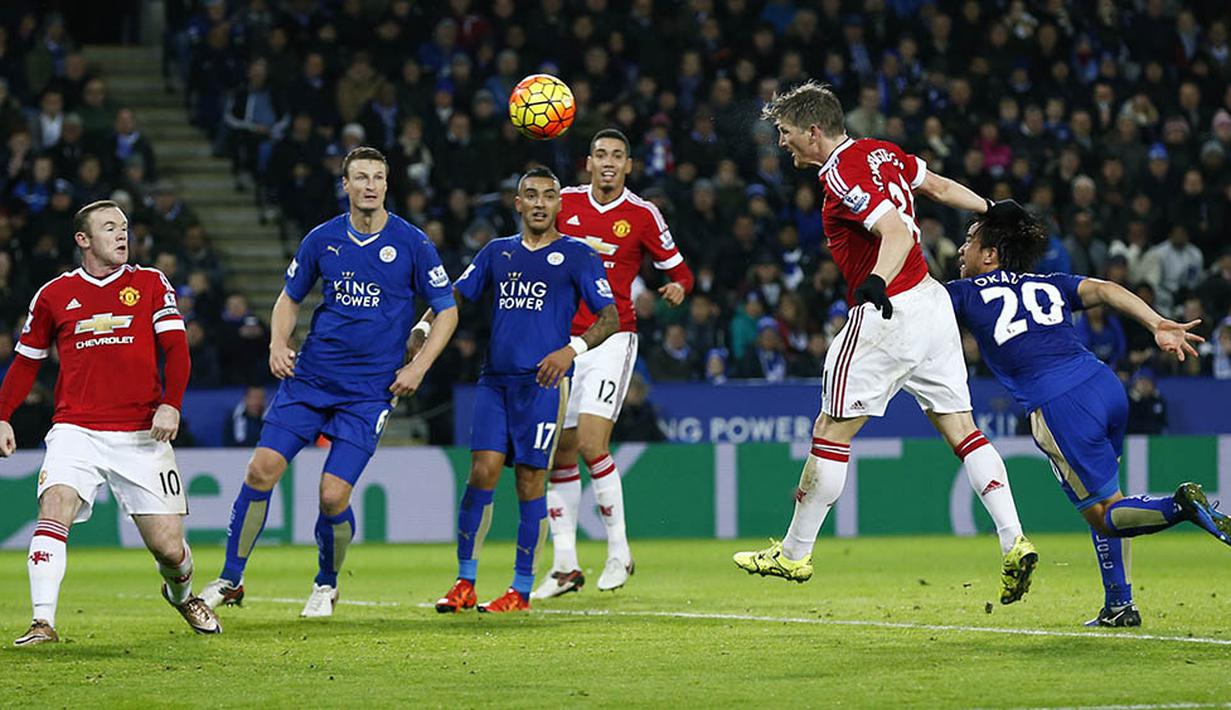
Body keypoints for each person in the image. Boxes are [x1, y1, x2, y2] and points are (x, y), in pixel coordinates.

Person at [732, 81, 1037, 605]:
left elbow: (894, 232)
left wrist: (874, 283)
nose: (782, 143)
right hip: (933, 305)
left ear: (813, 131)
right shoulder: (882, 152)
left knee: (831, 430)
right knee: (963, 430)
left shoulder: (840, 173)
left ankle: (795, 552)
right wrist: (990, 207)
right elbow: (936, 186)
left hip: (890, 310)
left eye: (785, 133)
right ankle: (1014, 540)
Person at [199, 147, 458, 617]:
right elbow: (288, 298)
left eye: (377, 177)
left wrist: (418, 367)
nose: (370, 185)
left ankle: (326, 582)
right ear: (346, 185)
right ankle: (230, 578)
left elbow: (447, 310)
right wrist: (278, 343)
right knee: (260, 470)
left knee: (332, 495)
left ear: (387, 185)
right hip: (312, 378)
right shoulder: (322, 239)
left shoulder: (413, 243)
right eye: (361, 177)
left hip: (369, 391)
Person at [948, 203, 1227, 626]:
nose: (960, 249)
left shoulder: (962, 293)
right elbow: (1107, 289)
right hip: (1104, 385)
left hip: (1060, 405)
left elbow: (912, 305)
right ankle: (1119, 605)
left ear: (990, 255)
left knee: (1105, 516)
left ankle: (1180, 505)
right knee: (1112, 498)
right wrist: (1156, 323)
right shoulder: (1048, 282)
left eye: (970, 241)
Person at [0, 200, 219, 645]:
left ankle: (182, 595)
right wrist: (2, 415)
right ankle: (42, 622)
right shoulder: (54, 295)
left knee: (169, 548)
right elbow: (25, 362)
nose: (122, 235)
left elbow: (176, 349)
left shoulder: (150, 283)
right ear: (83, 239)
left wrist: (171, 404)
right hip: (76, 429)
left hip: (141, 432)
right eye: (109, 228)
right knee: (55, 505)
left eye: (124, 227)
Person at [428, 167, 618, 614]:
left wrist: (570, 350)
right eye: (530, 195)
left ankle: (520, 589)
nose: (539, 203)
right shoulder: (497, 252)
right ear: (518, 204)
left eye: (548, 196)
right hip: (495, 382)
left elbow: (608, 317)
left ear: (558, 204)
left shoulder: (577, 255)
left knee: (531, 479)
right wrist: (423, 325)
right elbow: (456, 295)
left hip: (544, 385)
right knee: (482, 473)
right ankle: (465, 581)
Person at [534, 128, 694, 600]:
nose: (608, 162)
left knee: (590, 443)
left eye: (617, 155)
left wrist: (678, 287)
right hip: (561, 343)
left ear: (628, 166)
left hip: (611, 337)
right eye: (600, 154)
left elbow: (679, 270)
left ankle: (619, 552)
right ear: (588, 163)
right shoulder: (564, 201)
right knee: (559, 453)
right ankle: (565, 566)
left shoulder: (643, 214)